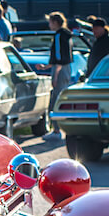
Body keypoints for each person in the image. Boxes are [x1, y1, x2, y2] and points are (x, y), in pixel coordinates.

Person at [46, 11, 72, 139]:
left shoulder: (58, 35)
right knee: (62, 98)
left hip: (60, 70)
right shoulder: (67, 35)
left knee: (55, 100)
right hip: (66, 69)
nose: (49, 25)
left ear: (55, 22)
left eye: (50, 22)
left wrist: (55, 75)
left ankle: (56, 130)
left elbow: (59, 58)